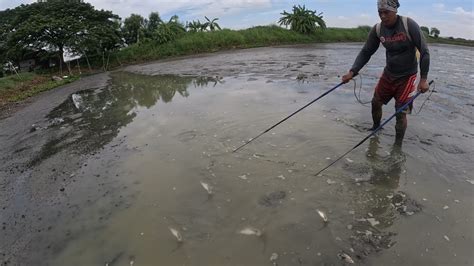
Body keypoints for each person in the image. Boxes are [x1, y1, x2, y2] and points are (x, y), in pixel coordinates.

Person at [341, 0, 430, 147]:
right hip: (389, 73)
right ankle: (376, 128)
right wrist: (352, 71)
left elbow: (425, 52)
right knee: (376, 102)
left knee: (400, 112)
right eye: (379, 13)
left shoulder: (409, 25)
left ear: (394, 11)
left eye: (386, 12)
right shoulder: (377, 29)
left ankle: (397, 146)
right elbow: (366, 51)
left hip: (408, 76)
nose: (382, 16)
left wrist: (424, 79)